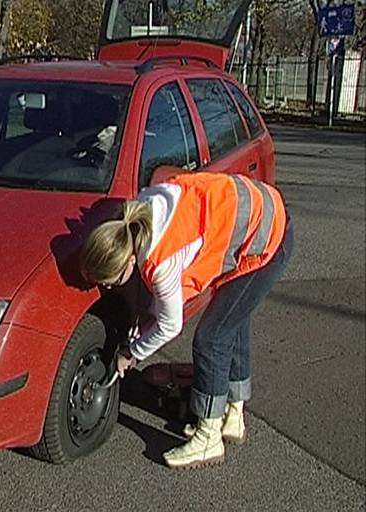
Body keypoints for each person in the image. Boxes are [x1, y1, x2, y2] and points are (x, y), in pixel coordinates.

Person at [79, 171, 294, 469]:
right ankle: (233, 415)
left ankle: (208, 438)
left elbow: (170, 324)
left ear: (131, 260)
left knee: (212, 338)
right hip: (256, 209)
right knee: (233, 321)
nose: (112, 287)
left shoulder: (160, 261)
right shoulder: (139, 212)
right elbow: (158, 302)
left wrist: (132, 352)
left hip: (268, 235)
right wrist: (142, 326)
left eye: (113, 280)